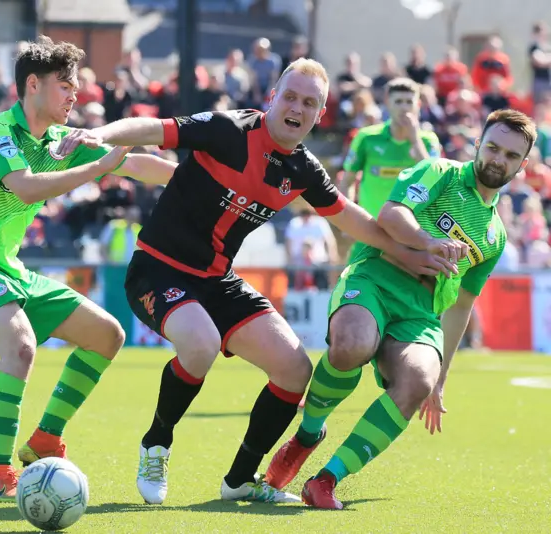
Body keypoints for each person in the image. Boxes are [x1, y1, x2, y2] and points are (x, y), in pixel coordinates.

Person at [59, 57, 458, 505]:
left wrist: (417, 252)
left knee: (294, 370)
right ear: (272, 97)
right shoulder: (228, 129)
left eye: (309, 102)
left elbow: (355, 221)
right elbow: (153, 128)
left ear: (320, 114)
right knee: (201, 344)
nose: (297, 107)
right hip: (157, 268)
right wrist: (98, 135)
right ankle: (156, 444)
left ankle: (240, 481)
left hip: (217, 282)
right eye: (289, 96)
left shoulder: (304, 169)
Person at [0, 36, 177, 503]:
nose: (76, 94)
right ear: (33, 84)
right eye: (66, 84)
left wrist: (202, 178)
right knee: (21, 347)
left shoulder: (57, 142)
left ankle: (46, 438)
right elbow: (26, 188)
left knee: (107, 335)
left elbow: (136, 166)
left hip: (10, 269)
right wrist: (98, 168)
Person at [264, 109, 537, 509]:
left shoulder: (494, 235)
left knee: (419, 380)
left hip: (421, 312)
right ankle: (307, 435)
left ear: (523, 165)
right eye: (493, 147)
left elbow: (461, 305)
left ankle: (326, 480)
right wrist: (429, 242)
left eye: (511, 155)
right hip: (375, 277)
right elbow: (392, 214)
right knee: (351, 345)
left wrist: (442, 377)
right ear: (478, 144)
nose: (499, 159)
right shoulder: (441, 171)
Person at [339, 77, 441, 260]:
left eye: (409, 102)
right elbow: (347, 181)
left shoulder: (428, 141)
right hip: (369, 234)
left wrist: (415, 140)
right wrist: (348, 220)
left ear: (418, 104)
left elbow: (436, 181)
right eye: (398, 101)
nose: (404, 107)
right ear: (387, 103)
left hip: (412, 238)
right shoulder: (367, 138)